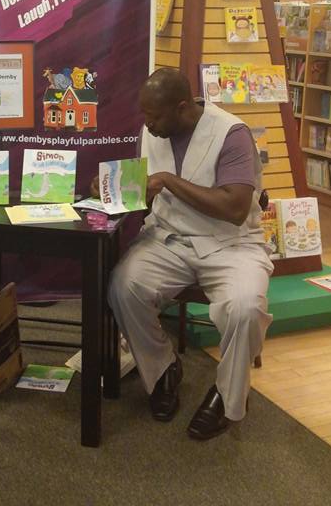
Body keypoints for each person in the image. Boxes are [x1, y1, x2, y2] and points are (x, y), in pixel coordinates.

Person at [107, 68, 271, 440]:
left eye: (154, 116)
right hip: (169, 239)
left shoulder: (231, 134)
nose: (147, 124)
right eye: (144, 115)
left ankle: (228, 396)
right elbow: (143, 194)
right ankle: (162, 369)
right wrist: (114, 189)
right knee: (123, 287)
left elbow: (234, 208)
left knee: (245, 308)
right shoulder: (151, 133)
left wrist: (167, 181)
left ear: (182, 108)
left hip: (231, 244)